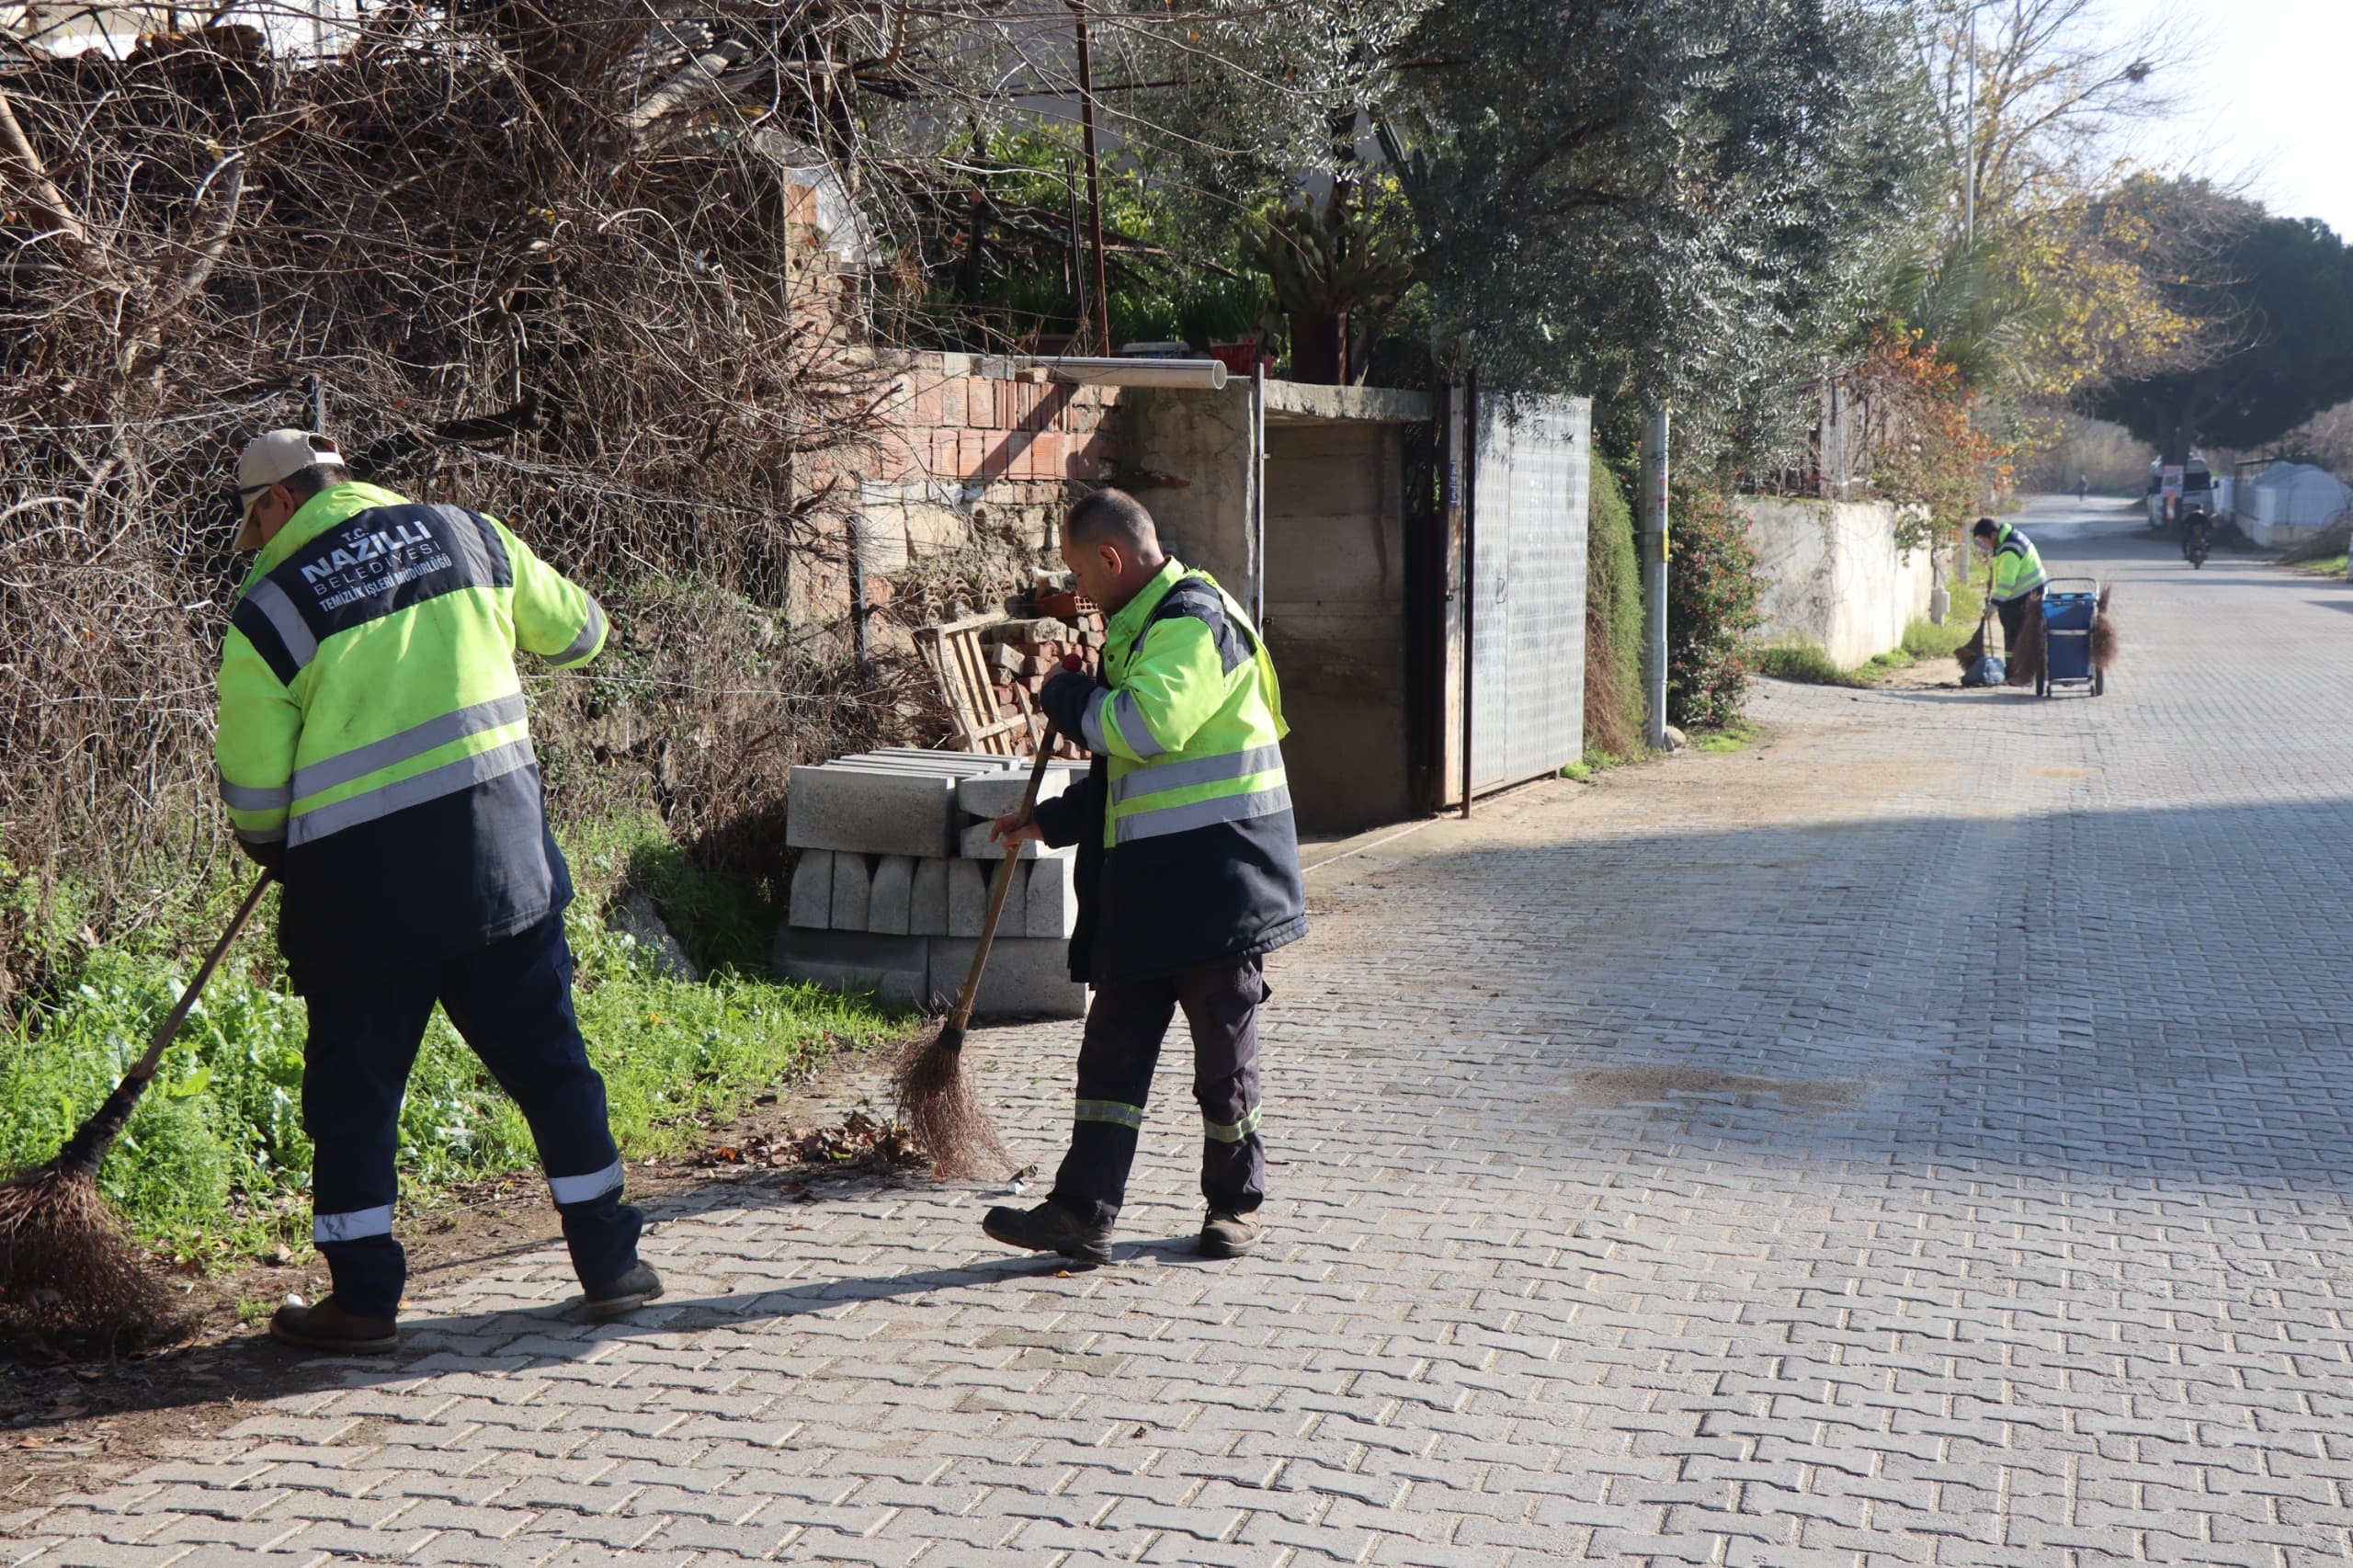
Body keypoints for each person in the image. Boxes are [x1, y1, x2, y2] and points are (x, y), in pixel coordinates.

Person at [214, 428, 660, 1352]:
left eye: (255, 524)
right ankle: (611, 1266)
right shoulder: (469, 534)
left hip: (359, 899)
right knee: (552, 1068)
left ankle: (364, 1302)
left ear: (281, 501)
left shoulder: (271, 614)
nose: (257, 545)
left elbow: (256, 798)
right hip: (500, 869)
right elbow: (583, 631)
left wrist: (283, 850)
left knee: (356, 1096)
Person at [981, 489, 1305, 1265]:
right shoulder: (1144, 630)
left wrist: (1066, 695)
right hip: (1151, 893)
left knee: (1222, 1068)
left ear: (1112, 559)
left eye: (1079, 575)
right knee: (1111, 1057)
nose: (1078, 593)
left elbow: (1142, 729)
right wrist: (1050, 820)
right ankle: (1081, 1213)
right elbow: (1134, 778)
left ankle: (1234, 1207)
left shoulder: (1195, 623)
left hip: (1219, 890)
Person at [1972, 516, 2047, 683]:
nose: (1983, 545)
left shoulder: (2010, 550)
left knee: (2020, 636)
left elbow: (2006, 583)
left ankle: (2022, 674)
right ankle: (2013, 672)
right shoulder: (2006, 540)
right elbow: (2002, 573)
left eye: (1983, 540)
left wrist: (1993, 606)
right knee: (2013, 635)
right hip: (2023, 595)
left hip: (2026, 597)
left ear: (1992, 535)